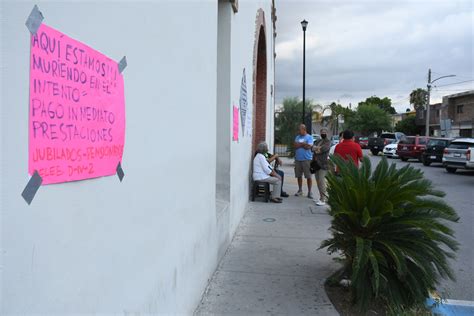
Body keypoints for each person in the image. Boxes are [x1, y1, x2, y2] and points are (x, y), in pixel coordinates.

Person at [294, 124, 314, 198]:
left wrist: (301, 144)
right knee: (299, 175)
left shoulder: (309, 137)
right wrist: (303, 144)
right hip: (298, 159)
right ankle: (300, 190)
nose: (299, 131)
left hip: (307, 159)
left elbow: (308, 147)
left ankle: (309, 192)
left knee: (308, 176)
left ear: (304, 129)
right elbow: (295, 146)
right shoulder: (297, 137)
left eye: (300, 130)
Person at [312, 128, 331, 206]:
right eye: (322, 132)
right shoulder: (318, 141)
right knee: (318, 181)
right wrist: (316, 148)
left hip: (323, 165)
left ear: (327, 133)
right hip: (316, 164)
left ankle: (323, 199)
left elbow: (323, 149)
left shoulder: (328, 142)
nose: (323, 133)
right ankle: (320, 197)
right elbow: (312, 148)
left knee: (322, 182)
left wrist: (316, 149)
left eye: (324, 132)